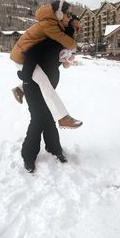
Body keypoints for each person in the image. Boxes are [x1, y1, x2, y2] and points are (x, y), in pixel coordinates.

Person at [20, 19, 80, 173]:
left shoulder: (63, 45)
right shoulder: (52, 41)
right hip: (32, 86)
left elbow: (49, 62)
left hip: (47, 85)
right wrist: (25, 77)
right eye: (75, 28)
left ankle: (54, 149)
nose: (77, 31)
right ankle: (28, 156)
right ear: (67, 29)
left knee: (48, 116)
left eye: (78, 28)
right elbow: (31, 54)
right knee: (38, 119)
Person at [10, 1, 82, 129]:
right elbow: (66, 41)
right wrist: (74, 44)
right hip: (22, 58)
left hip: (26, 58)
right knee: (45, 84)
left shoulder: (53, 23)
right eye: (68, 14)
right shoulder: (50, 24)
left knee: (42, 79)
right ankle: (63, 118)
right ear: (59, 14)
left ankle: (19, 89)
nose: (69, 17)